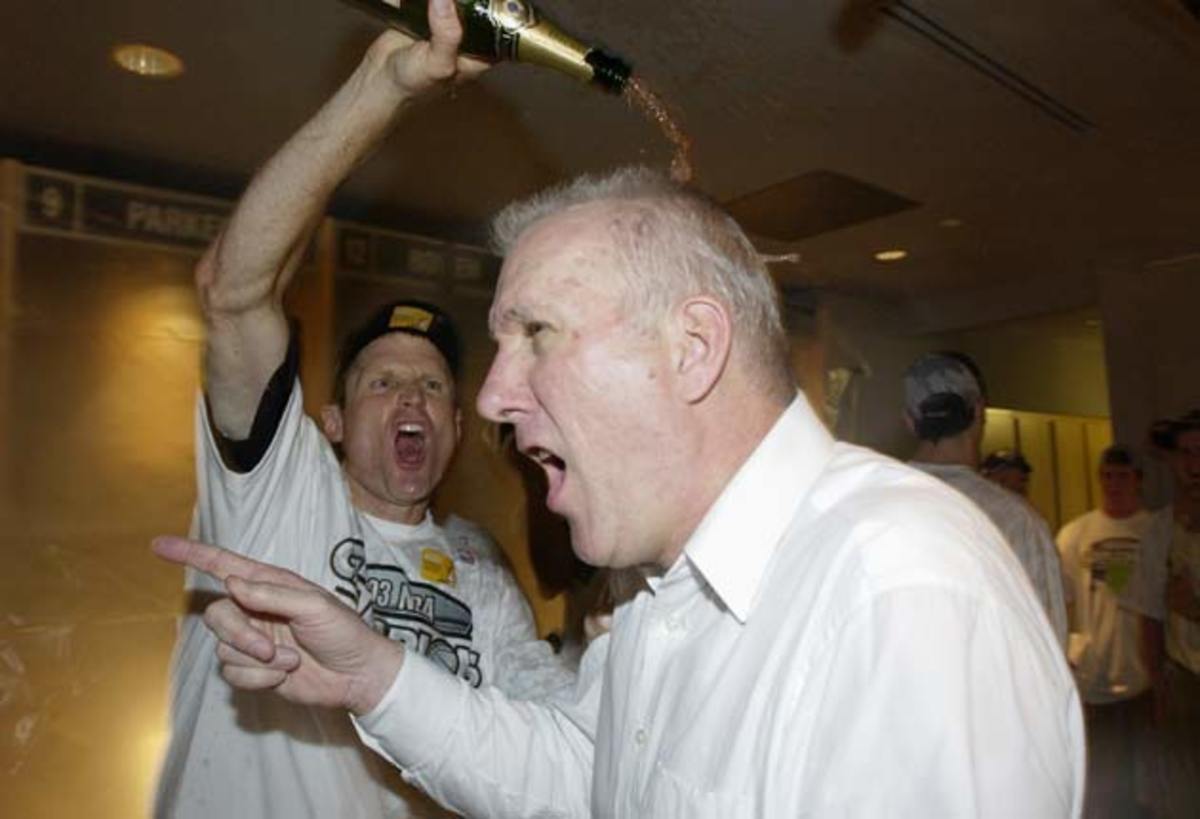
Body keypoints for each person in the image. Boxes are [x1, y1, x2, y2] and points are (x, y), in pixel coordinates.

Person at [154, 38, 1085, 815]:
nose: (488, 401)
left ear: (691, 347)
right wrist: (373, 677)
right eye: (385, 381)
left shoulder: (895, 585)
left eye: (538, 335)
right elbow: (573, 772)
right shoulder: (655, 605)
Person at [154, 7, 570, 817]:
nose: (413, 397)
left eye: (433, 388)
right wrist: (384, 85)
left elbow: (549, 733)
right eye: (382, 382)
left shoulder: (483, 581)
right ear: (332, 423)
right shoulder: (280, 497)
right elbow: (233, 294)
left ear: (455, 428)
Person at [903, 352, 1069, 647]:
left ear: (910, 422)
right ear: (979, 411)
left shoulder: (873, 508)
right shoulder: (1016, 522)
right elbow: (1047, 649)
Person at [1056, 445, 1161, 817]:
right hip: (1095, 679)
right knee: (1104, 777)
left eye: (1123, 475)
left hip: (1149, 680)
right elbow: (1061, 603)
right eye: (1107, 475)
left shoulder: (1157, 530)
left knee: (1153, 780)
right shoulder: (1074, 535)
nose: (1114, 484)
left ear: (1138, 480)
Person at [1130, 410, 1200, 817]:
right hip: (1184, 685)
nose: (1194, 466)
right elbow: (1149, 614)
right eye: (1185, 454)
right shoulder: (1159, 529)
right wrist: (1157, 685)